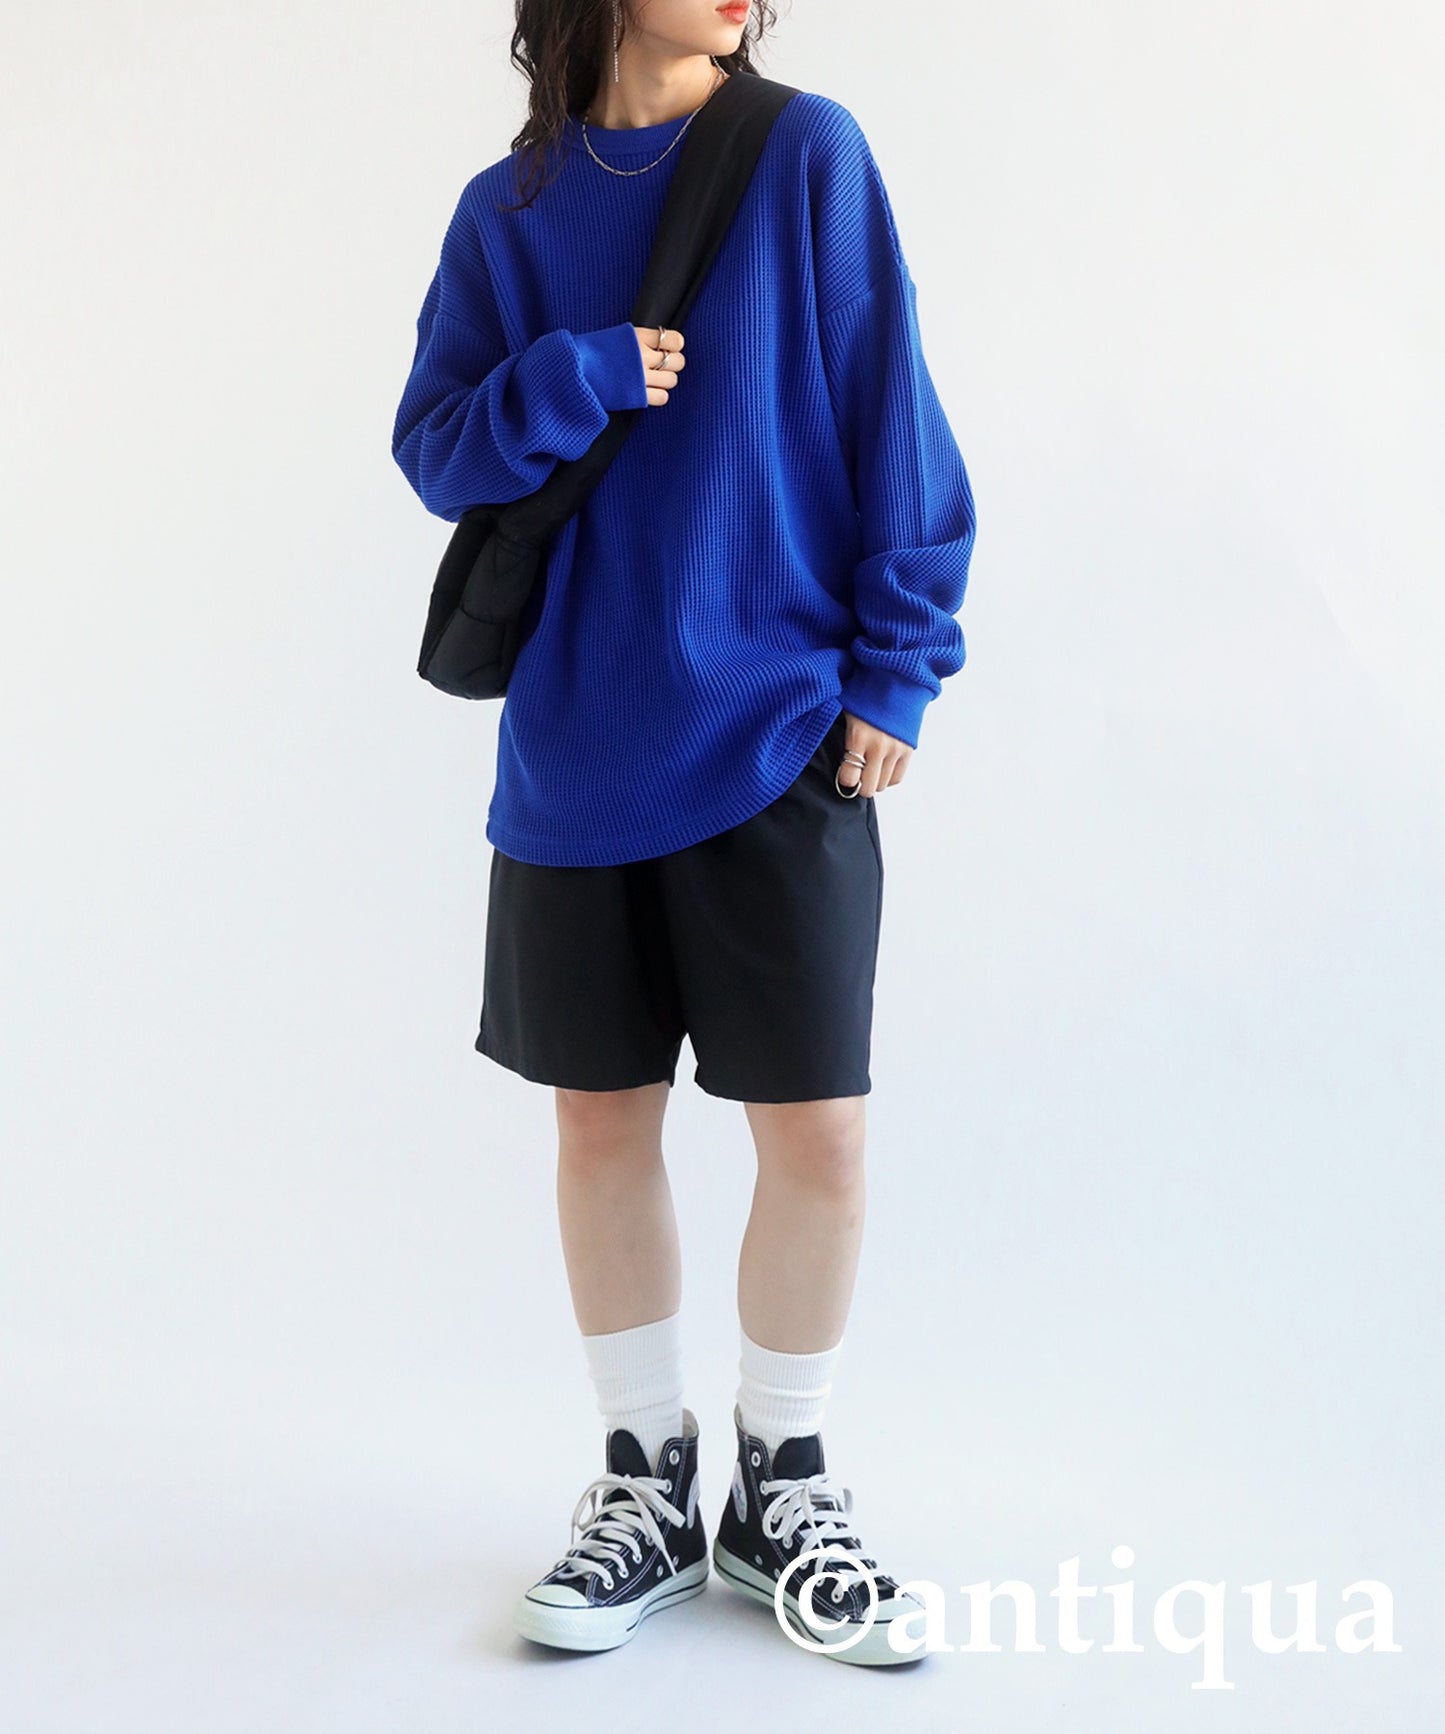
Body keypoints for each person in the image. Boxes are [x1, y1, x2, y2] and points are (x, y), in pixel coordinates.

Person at [391, 0, 976, 1667]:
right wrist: (568, 377)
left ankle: (780, 1479)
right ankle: (644, 1476)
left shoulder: (804, 155)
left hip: (780, 732)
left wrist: (898, 666)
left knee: (820, 1135)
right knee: (598, 1121)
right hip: (576, 747)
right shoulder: (507, 210)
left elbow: (889, 413)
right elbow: (434, 448)